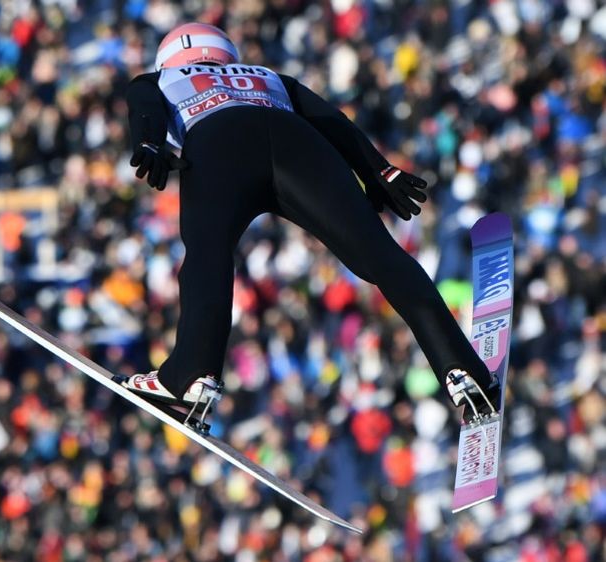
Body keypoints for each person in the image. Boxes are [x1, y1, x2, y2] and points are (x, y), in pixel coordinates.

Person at [119, 23, 500, 426]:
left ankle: (193, 375)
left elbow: (146, 108)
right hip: (296, 142)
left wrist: (149, 143)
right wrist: (378, 170)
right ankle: (462, 369)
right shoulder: (268, 76)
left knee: (207, 256)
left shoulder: (159, 79)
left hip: (217, 141)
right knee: (380, 254)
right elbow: (332, 121)